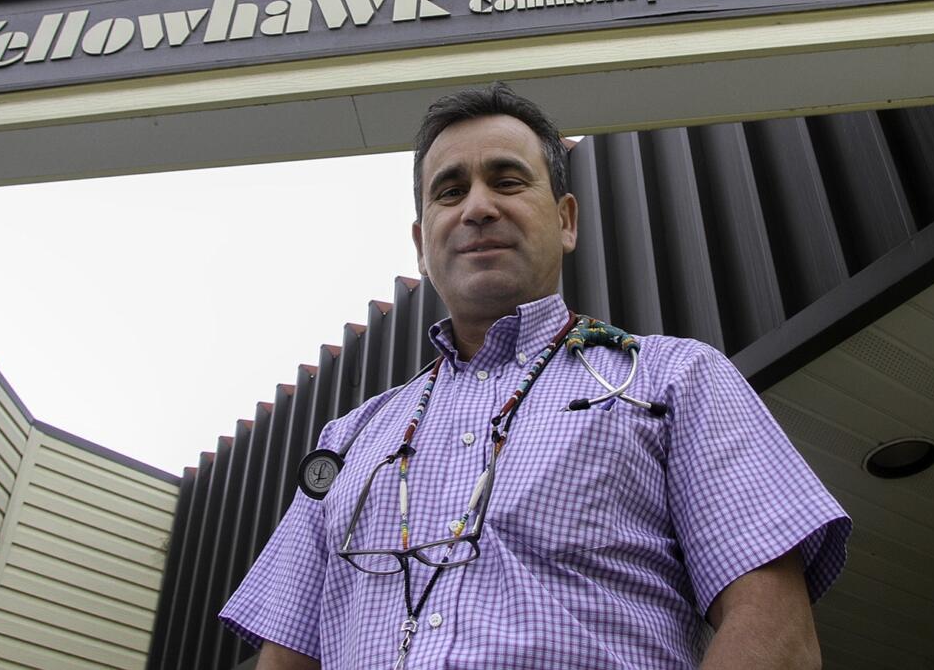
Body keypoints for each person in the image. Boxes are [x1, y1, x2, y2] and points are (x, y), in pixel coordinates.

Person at [221, 83, 850, 669]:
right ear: (421, 241)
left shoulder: (676, 380)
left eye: (508, 180)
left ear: (566, 219)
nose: (478, 207)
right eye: (449, 190)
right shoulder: (348, 440)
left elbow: (776, 630)